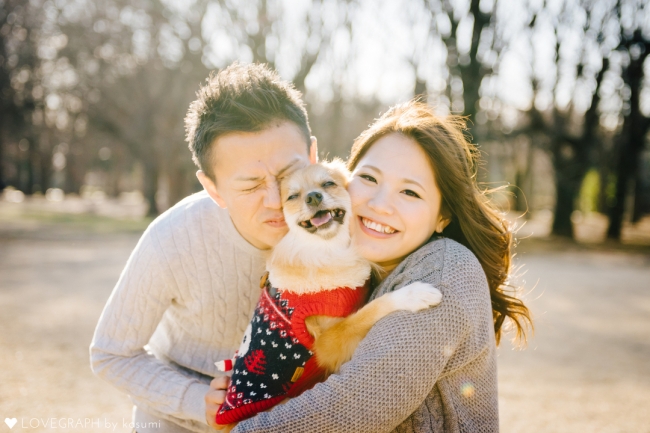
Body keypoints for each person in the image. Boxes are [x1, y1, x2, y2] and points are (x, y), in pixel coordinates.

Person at [222, 101, 532, 433]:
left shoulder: (443, 270)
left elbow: (354, 407)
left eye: (410, 192)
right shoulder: (357, 266)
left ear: (443, 216)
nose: (380, 204)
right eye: (369, 178)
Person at [89, 62, 318, 433]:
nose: (276, 201)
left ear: (313, 156)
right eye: (249, 186)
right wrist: (198, 402)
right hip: (178, 414)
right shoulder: (172, 238)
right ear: (213, 189)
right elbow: (111, 354)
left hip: (290, 413)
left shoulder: (345, 219)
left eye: (288, 173)